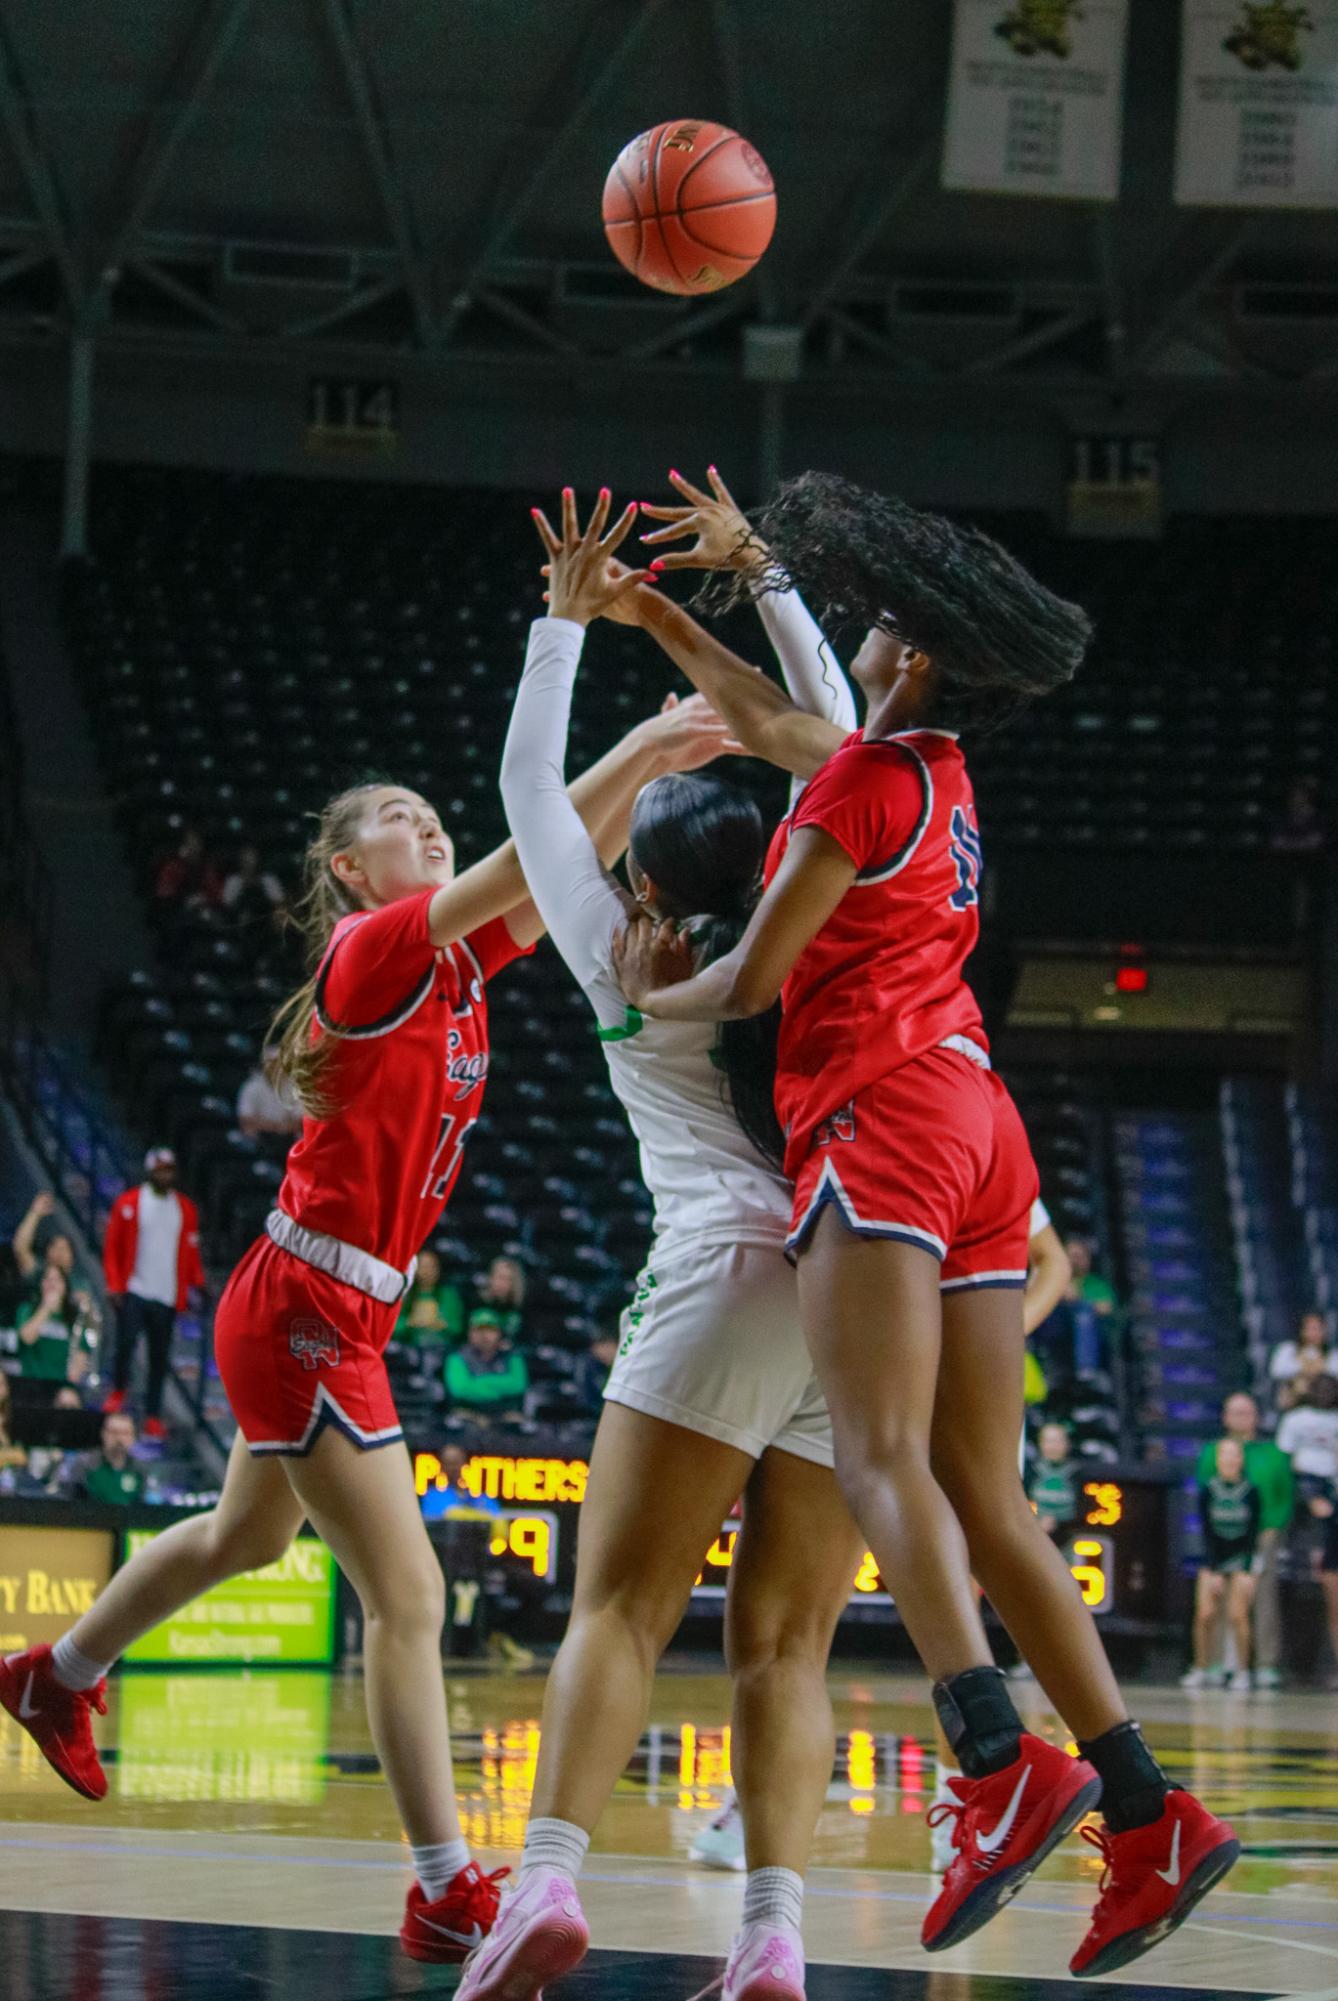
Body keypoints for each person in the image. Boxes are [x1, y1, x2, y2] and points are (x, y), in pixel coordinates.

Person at [612, 468, 1237, 1977]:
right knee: (989, 1492)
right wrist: (649, 608)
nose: (861, 633)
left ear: (919, 659)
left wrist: (643, 1004)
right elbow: (773, 719)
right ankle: (1151, 1814)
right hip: (980, 1127)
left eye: (877, 625)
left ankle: (991, 1759)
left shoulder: (856, 779)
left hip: (881, 1127)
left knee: (883, 1457)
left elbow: (750, 981)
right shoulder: (931, 777)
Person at [0, 687, 733, 1966]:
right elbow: (524, 850)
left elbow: (551, 865)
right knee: (412, 1596)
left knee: (242, 1534)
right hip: (307, 1309)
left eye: (432, 814)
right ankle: (445, 1885)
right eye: (402, 820)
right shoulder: (372, 949)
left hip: (329, 1305)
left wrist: (653, 761)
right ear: (352, 870)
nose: (429, 827)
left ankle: (53, 1673)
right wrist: (654, 744)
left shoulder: (450, 961)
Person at [459, 484, 866, 2001]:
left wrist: (562, 627)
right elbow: (832, 728)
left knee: (619, 1607)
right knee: (787, 1646)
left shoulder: (621, 964)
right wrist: (761, 573)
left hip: (712, 1270)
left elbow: (523, 791)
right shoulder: (810, 922)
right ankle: (772, 1937)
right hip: (846, 1285)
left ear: (646, 876)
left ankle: (545, 1885)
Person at [101, 1147, 205, 1439]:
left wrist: (197, 1282)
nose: (165, 1174)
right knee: (125, 1344)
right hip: (136, 1288)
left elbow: (191, 1250)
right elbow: (112, 1248)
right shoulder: (131, 1202)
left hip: (167, 1294)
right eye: (160, 1169)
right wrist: (114, 1284)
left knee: (160, 1359)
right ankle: (119, 1389)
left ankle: (152, 1414)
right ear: (150, 1171)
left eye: (169, 1169)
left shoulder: (185, 1209)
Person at [1194, 1393, 1292, 1689]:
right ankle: (1217, 1662)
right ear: (1224, 1417)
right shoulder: (1212, 1451)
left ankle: (1263, 1664)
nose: (1240, 1418)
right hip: (1223, 1533)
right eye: (1234, 1412)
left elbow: (1284, 1495)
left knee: (1261, 1596)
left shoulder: (1272, 1453)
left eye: (1246, 1412)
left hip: (1261, 1534)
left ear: (1256, 1417)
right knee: (1218, 1597)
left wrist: (1272, 1528)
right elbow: (1205, 1491)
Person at [1183, 1438, 1261, 1693]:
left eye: (1234, 1455)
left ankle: (1242, 1671)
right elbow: (1206, 1531)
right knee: (1204, 1613)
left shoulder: (1251, 1491)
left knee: (1238, 1614)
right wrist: (1213, 1569)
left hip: (1241, 1556)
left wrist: (1248, 1569)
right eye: (1224, 1455)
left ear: (1241, 1459)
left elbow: (1253, 1534)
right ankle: (1201, 1667)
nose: (1229, 1460)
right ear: (1217, 1460)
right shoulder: (1208, 1489)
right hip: (1214, 1557)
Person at [15, 1266, 92, 1390]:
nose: (52, 1284)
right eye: (47, 1279)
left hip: (61, 1389)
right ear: (40, 1284)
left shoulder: (74, 1319)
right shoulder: (27, 1310)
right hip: (30, 1386)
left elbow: (80, 1356)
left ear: (65, 1286)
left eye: (57, 1279)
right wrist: (47, 1308)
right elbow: (27, 1338)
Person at [444, 1311, 529, 1421]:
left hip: (505, 1414)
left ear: (499, 1333)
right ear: (470, 1333)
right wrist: (499, 1389)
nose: (484, 1336)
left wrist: (478, 1383)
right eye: (478, 1330)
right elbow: (460, 1389)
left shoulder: (513, 1356)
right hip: (470, 1414)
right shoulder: (457, 1358)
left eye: (490, 1330)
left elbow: (518, 1384)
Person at [67, 1412, 146, 1507]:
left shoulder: (139, 1470)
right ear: (103, 1434)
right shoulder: (85, 1465)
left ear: (133, 1438)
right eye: (114, 1432)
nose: (119, 1439)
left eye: (125, 1433)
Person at [395, 1248, 466, 1346]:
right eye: (423, 1266)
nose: (427, 1271)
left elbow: (456, 1328)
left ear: (438, 1269)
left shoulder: (448, 1294)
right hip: (409, 1348)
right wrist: (410, 1323)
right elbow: (393, 1327)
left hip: (441, 1348)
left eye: (432, 1267)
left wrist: (438, 1323)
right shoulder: (405, 1294)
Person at [1277, 1373, 1338, 1486]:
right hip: (1302, 1474)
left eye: (1329, 1390)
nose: (1325, 1394)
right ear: (1311, 1390)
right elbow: (1285, 1449)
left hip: (1333, 1474)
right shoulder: (1295, 1417)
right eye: (1321, 1389)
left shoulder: (1335, 1418)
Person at [1028, 1423, 1080, 1543]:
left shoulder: (1077, 1474)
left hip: (1068, 1539)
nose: (1054, 1447)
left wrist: (1057, 1521)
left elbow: (1085, 1513)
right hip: (1034, 1538)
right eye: (1049, 1441)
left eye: (1058, 1441)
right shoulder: (1030, 1472)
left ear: (1067, 1444)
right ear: (1040, 1444)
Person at [236, 1048, 303, 1139]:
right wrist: (271, 1126)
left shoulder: (295, 1087)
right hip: (259, 1137)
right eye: (271, 1063)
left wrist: (282, 1128)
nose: (275, 1068)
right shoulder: (252, 1086)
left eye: (278, 1064)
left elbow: (300, 1120)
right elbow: (245, 1118)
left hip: (287, 1137)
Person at [1269, 1310, 1335, 1400]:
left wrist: (1320, 1367)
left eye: (1318, 1329)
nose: (1314, 1333)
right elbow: (1276, 1371)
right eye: (1310, 1329)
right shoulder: (1288, 1349)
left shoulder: (1332, 1354)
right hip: (1294, 1402)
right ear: (1302, 1330)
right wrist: (1303, 1366)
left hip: (1324, 1403)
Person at [153, 824, 223, 907]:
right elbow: (163, 892)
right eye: (189, 843)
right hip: (174, 909)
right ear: (184, 845)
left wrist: (203, 898)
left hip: (200, 910)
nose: (192, 848)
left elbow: (216, 894)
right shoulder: (173, 866)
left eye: (196, 843)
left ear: (201, 847)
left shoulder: (206, 868)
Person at [476, 1255, 527, 1341]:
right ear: (491, 1278)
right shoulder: (475, 1302)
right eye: (500, 1277)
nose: (502, 1283)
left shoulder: (518, 1311)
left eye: (508, 1279)